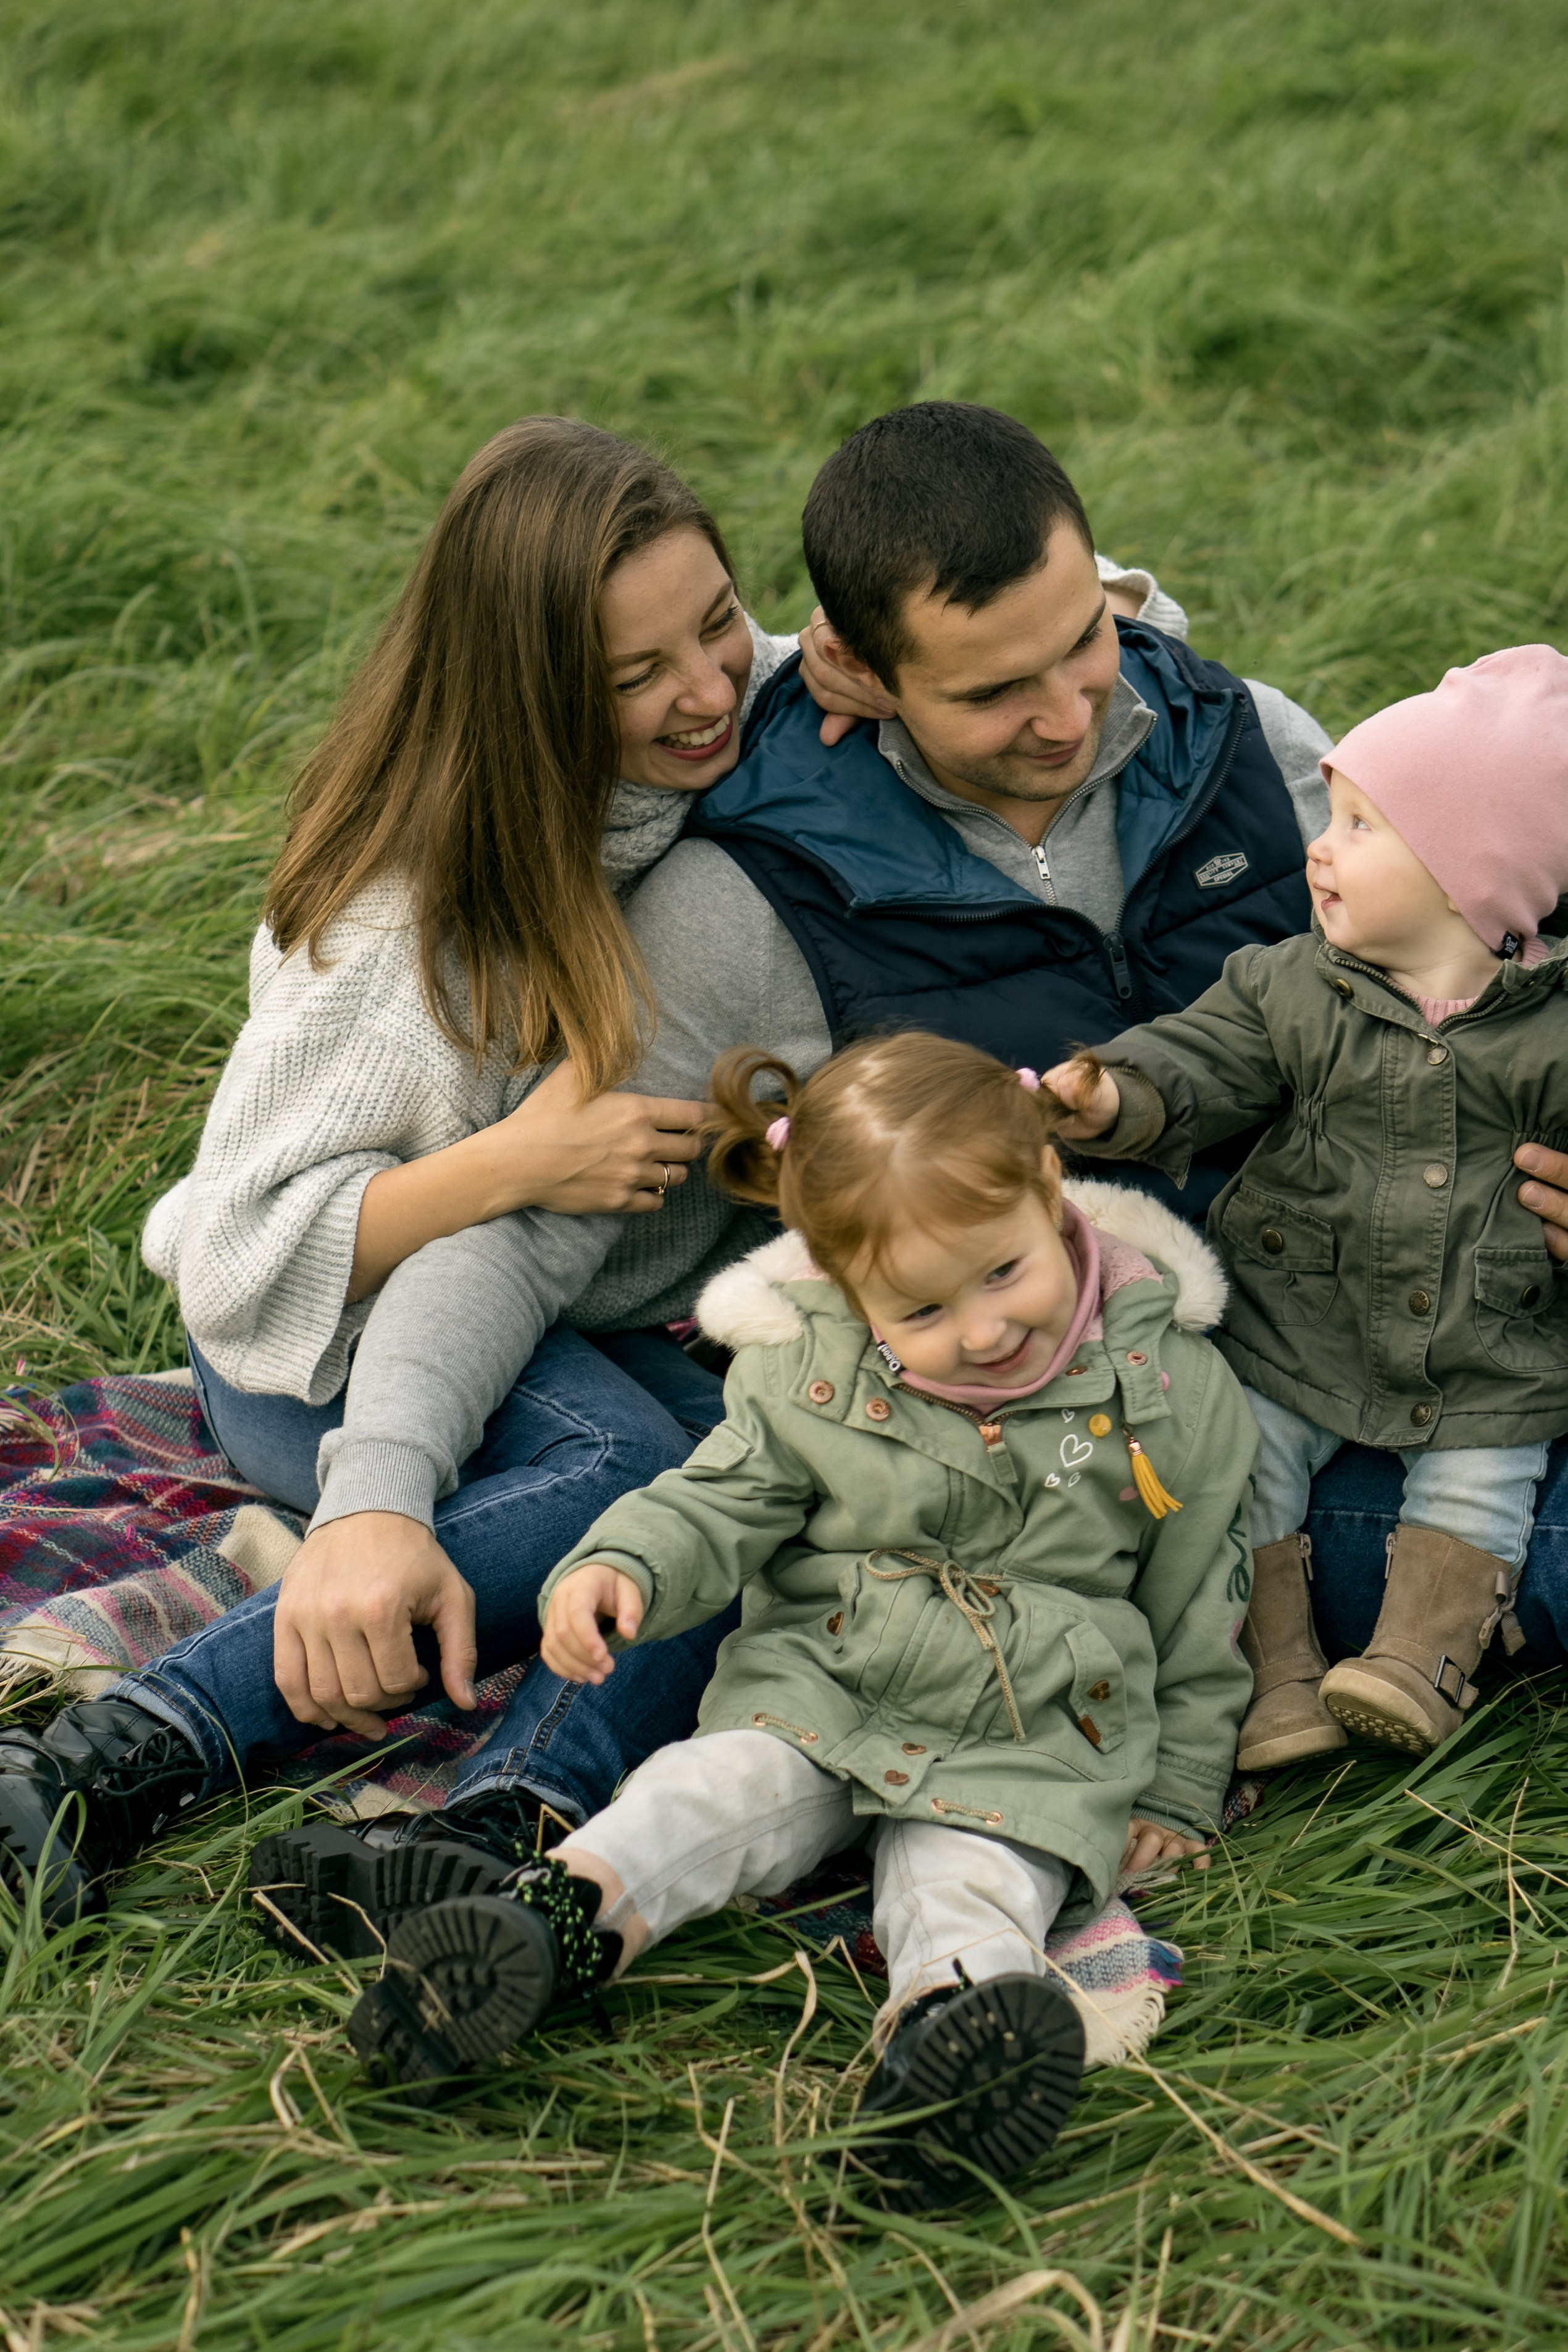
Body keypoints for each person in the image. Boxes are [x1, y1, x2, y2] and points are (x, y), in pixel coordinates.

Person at [0, 410, 1183, 1923]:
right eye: (638, 676)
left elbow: (1021, 632)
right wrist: (501, 1168)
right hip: (330, 1340)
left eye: (717, 628)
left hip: (575, 1312)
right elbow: (233, 1252)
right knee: (629, 1473)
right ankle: (114, 1755)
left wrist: (950, 639)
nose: (704, 692)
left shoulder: (740, 706)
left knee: (806, 1490)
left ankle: (500, 1832)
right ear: (533, 695)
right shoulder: (403, 924)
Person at [340, 1033, 1256, 2209]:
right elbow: (717, 1496)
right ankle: (555, 1920)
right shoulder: (807, 1369)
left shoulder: (1166, 1385)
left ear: (1049, 1190)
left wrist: (1179, 1781)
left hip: (1038, 1720)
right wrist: (619, 1564)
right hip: (828, 1673)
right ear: (842, 1284)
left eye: (1003, 1274)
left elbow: (1199, 1592)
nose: (982, 1330)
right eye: (921, 1307)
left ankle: (952, 2047)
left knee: (971, 1874)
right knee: (707, 1790)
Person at [1043, 646, 1568, 1767]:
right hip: (1298, 1317)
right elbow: (1201, 1058)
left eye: (1364, 827)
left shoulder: (1555, 1032)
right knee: (1240, 1460)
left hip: (1491, 1345)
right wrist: (1114, 1092)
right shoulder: (1292, 984)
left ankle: (1419, 1662)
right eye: (1331, 816)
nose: (1318, 850)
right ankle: (1269, 1673)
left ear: (1470, 875)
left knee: (1487, 1478)